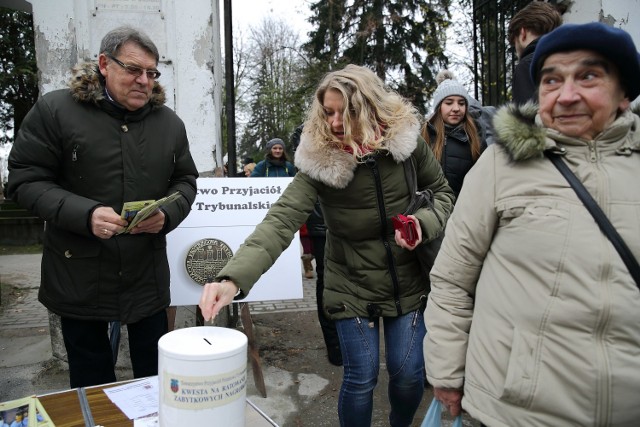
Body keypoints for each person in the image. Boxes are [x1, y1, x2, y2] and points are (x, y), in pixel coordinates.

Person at [200, 64, 454, 427]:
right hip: (348, 282)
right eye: (328, 111)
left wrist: (422, 223)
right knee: (360, 376)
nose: (334, 122)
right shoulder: (319, 158)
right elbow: (280, 220)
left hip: (407, 279)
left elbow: (444, 193)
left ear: (369, 108)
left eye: (344, 111)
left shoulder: (407, 144)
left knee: (408, 374)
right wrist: (232, 279)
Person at [424, 22, 640, 426]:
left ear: (624, 92)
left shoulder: (476, 138)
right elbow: (453, 278)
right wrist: (447, 373)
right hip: (516, 407)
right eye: (552, 80)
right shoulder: (501, 162)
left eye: (589, 76)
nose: (567, 94)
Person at [7, 26, 198, 389]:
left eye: (152, 73)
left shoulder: (169, 124)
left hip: (145, 275)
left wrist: (166, 215)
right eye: (133, 69)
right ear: (103, 65)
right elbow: (24, 180)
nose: (145, 81)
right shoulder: (56, 110)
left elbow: (186, 181)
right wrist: (86, 214)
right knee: (91, 380)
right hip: (78, 272)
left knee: (154, 380)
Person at [291, 124, 342, 366]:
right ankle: (334, 346)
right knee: (326, 283)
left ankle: (348, 341)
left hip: (345, 229)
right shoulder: (307, 153)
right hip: (321, 228)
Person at [421, 70, 488, 198]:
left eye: (461, 103)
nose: (456, 108)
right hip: (434, 211)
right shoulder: (425, 135)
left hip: (465, 211)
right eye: (449, 102)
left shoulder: (475, 136)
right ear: (439, 106)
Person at [508, 1, 562, 105]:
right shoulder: (572, 59)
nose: (516, 52)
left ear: (523, 33)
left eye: (515, 44)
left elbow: (526, 117)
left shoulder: (527, 64)